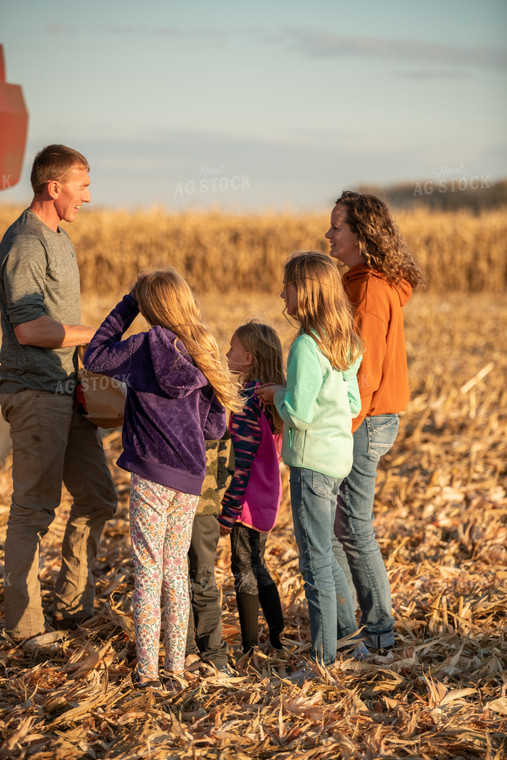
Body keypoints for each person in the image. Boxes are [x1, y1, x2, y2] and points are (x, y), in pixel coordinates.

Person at [83, 269, 242, 689]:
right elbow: (213, 427)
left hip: (151, 476)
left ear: (151, 306)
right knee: (174, 570)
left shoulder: (145, 346)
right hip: (190, 479)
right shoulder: (203, 351)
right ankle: (176, 667)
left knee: (148, 571)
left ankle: (147, 673)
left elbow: (95, 356)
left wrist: (128, 302)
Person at [0, 144, 117, 641]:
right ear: (54, 187)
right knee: (34, 509)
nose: (88, 197)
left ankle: (71, 603)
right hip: (35, 393)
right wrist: (95, 333)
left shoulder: (59, 238)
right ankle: (24, 629)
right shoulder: (25, 244)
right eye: (82, 186)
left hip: (68, 393)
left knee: (98, 498)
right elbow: (29, 330)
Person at [325, 190, 424, 650]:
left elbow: (364, 372)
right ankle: (355, 627)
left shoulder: (368, 289)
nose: (328, 234)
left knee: (351, 526)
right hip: (373, 416)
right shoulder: (366, 280)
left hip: (366, 417)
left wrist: (339, 429)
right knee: (345, 525)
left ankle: (378, 632)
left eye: (337, 227)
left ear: (361, 235)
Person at [258, 252, 366, 671]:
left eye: (286, 285)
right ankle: (350, 641)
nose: (281, 291)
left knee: (315, 560)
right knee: (330, 549)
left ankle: (323, 657)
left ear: (303, 292)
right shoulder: (344, 341)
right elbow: (353, 402)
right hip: (338, 459)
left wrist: (276, 395)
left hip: (311, 464)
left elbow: (299, 414)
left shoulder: (305, 346)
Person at [219, 321, 285, 655]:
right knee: (258, 565)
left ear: (247, 358)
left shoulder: (246, 401)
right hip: (267, 497)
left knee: (243, 570)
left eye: (231, 348)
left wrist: (228, 510)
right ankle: (277, 636)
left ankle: (249, 646)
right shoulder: (272, 396)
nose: (225, 353)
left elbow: (240, 463)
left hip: (245, 500)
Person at [185, 432, 235, 674]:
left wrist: (214, 496)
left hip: (194, 505)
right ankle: (198, 653)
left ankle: (206, 654)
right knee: (192, 581)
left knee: (192, 581)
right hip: (193, 504)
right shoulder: (212, 401)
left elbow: (226, 457)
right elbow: (227, 461)